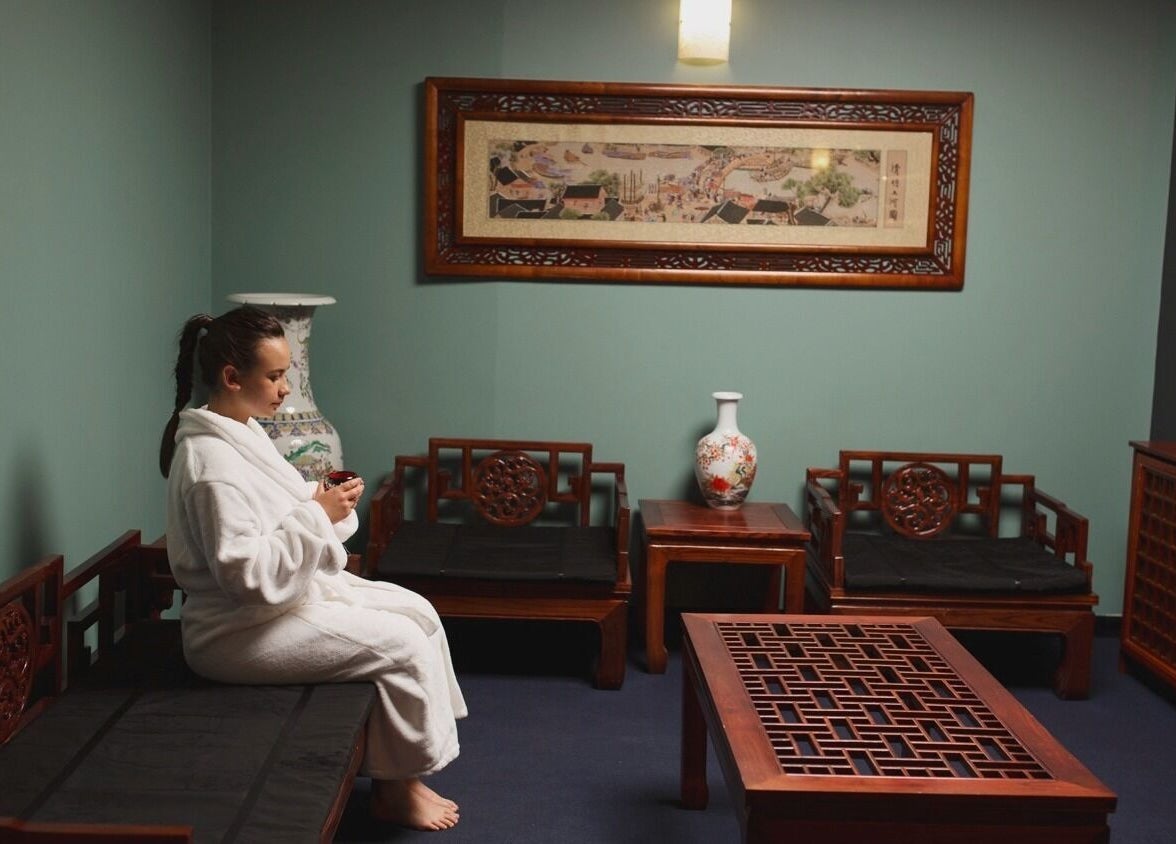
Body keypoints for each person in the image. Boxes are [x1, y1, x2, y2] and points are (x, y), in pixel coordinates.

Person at [159, 306, 466, 832]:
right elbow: (246, 576)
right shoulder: (211, 467)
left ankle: (405, 770)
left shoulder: (242, 431)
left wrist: (324, 502)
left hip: (278, 603)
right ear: (233, 377)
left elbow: (278, 509)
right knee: (403, 644)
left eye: (287, 374)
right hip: (236, 631)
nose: (284, 388)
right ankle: (397, 789)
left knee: (419, 612)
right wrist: (315, 516)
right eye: (275, 376)